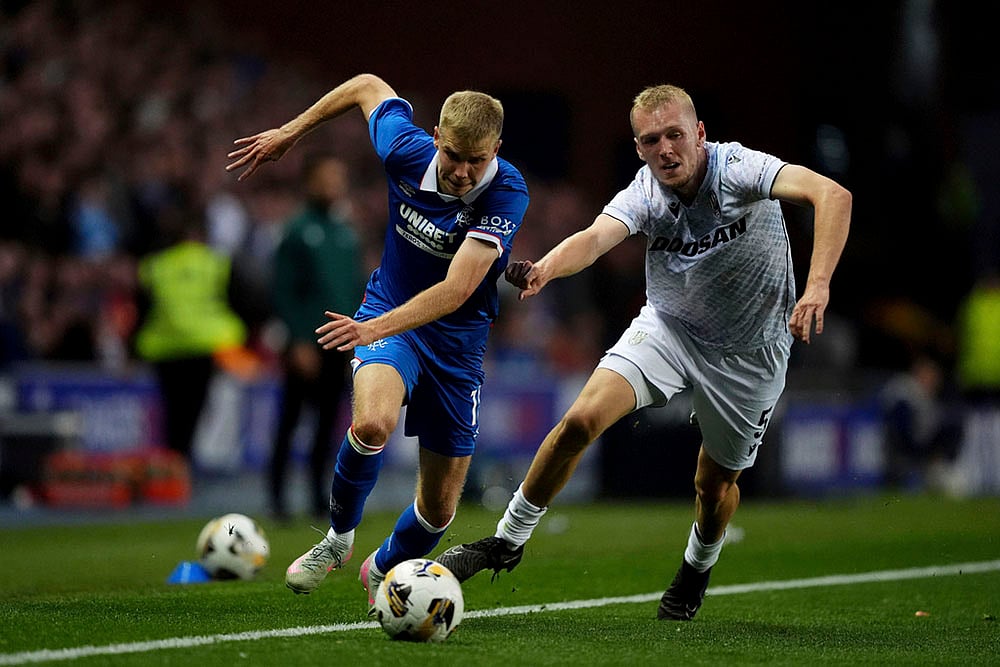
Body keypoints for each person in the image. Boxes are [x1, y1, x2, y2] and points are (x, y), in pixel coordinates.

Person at [437, 84, 852, 621]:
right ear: (638, 148)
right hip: (670, 329)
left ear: (699, 135)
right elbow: (593, 237)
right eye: (650, 140)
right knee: (581, 420)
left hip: (751, 351)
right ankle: (507, 540)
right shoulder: (645, 191)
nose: (665, 150)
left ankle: (696, 566)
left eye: (675, 135)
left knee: (714, 484)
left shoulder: (741, 169)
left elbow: (833, 195)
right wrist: (544, 270)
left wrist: (817, 284)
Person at [225, 73, 529, 607]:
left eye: (476, 160)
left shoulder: (507, 192)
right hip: (390, 318)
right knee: (371, 423)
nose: (462, 171)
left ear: (496, 151)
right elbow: (367, 85)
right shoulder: (403, 149)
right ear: (435, 136)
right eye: (454, 154)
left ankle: (383, 564)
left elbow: (457, 290)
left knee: (438, 511)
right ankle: (337, 539)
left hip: (455, 345)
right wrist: (290, 133)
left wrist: (370, 330)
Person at [268, 153, 365, 521]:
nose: (334, 186)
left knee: (328, 425)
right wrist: (296, 340)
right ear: (310, 182)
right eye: (327, 178)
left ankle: (316, 497)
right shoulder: (295, 230)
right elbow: (283, 291)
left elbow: (354, 287)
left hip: (340, 344)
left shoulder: (345, 233)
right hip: (306, 343)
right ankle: (277, 499)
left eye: (338, 179)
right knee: (290, 421)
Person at [134, 191, 249, 460]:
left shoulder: (155, 266)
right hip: (203, 346)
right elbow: (242, 301)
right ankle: (181, 463)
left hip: (164, 349)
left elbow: (142, 309)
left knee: (172, 411)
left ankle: (172, 463)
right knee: (194, 409)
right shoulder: (217, 263)